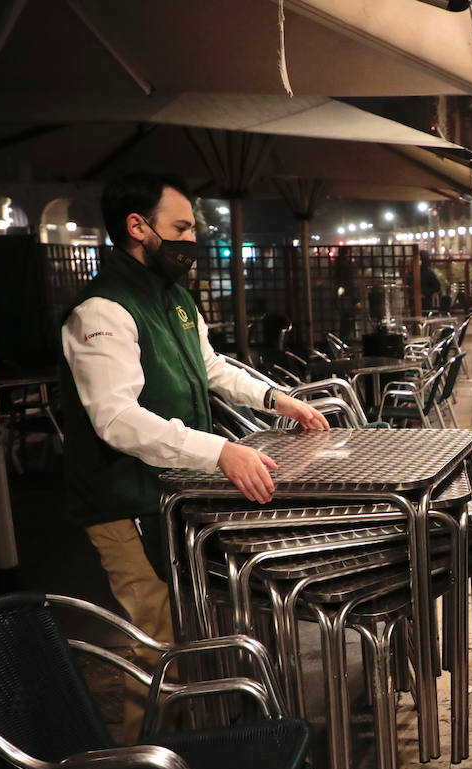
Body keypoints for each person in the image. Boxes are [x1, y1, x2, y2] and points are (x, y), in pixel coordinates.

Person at [60, 172, 329, 737]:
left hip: (173, 493)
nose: (191, 239)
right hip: (122, 500)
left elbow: (210, 368)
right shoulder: (100, 312)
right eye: (180, 227)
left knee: (193, 619)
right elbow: (115, 418)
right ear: (138, 227)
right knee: (153, 635)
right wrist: (221, 451)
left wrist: (280, 399)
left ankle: (201, 740)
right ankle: (143, 768)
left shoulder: (173, 297)